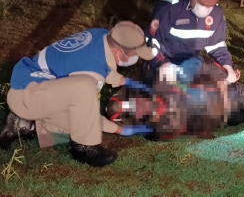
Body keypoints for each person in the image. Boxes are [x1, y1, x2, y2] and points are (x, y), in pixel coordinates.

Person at [0, 21, 156, 167]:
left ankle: (24, 124)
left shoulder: (102, 36)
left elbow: (102, 65)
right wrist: (119, 130)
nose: (137, 58)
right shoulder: (90, 75)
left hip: (34, 88)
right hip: (28, 97)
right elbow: (89, 115)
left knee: (79, 121)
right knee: (83, 119)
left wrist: (125, 81)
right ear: (118, 52)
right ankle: (84, 148)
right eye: (135, 54)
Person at [106, 56, 244, 140]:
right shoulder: (152, 126)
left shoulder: (155, 85)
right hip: (220, 116)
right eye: (133, 110)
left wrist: (222, 79)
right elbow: (131, 131)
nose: (139, 107)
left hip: (225, 94)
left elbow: (196, 65)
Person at [143, 0, 238, 87]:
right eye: (202, 4)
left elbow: (217, 45)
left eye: (211, 5)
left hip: (189, 66)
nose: (206, 10)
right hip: (161, 65)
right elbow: (150, 42)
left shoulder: (216, 14)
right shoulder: (170, 9)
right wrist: (162, 63)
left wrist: (227, 66)